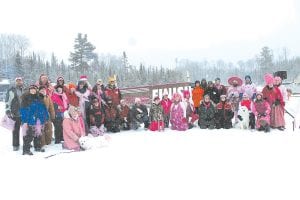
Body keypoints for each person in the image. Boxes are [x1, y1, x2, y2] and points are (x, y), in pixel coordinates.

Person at [20, 85, 49, 155]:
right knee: (29, 135)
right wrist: (25, 120)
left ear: (36, 90)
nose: (33, 90)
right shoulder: (25, 98)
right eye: (31, 89)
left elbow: (43, 108)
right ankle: (26, 150)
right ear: (29, 90)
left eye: (34, 89)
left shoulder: (39, 97)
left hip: (38, 119)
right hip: (29, 119)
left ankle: (37, 147)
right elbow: (23, 110)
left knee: (38, 134)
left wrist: (46, 116)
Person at [5, 77, 25, 151]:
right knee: (15, 130)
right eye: (17, 81)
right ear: (15, 82)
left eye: (20, 81)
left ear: (22, 82)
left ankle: (26, 143)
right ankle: (15, 145)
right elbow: (7, 101)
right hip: (15, 113)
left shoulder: (24, 90)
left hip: (24, 114)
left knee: (26, 130)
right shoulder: (11, 90)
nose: (19, 82)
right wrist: (7, 111)